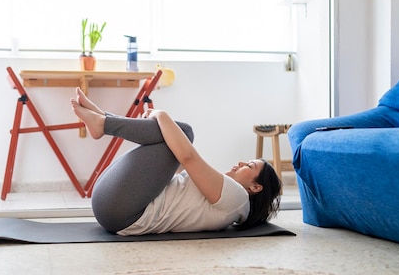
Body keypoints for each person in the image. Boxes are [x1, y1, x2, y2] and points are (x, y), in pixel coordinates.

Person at [70, 88, 281, 236]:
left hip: (121, 212)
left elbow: (187, 157)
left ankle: (104, 122)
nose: (242, 162)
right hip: (114, 204)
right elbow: (178, 161)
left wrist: (161, 114)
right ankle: (104, 119)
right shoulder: (230, 198)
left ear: (256, 187)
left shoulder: (238, 198)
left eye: (249, 166)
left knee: (184, 133)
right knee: (177, 137)